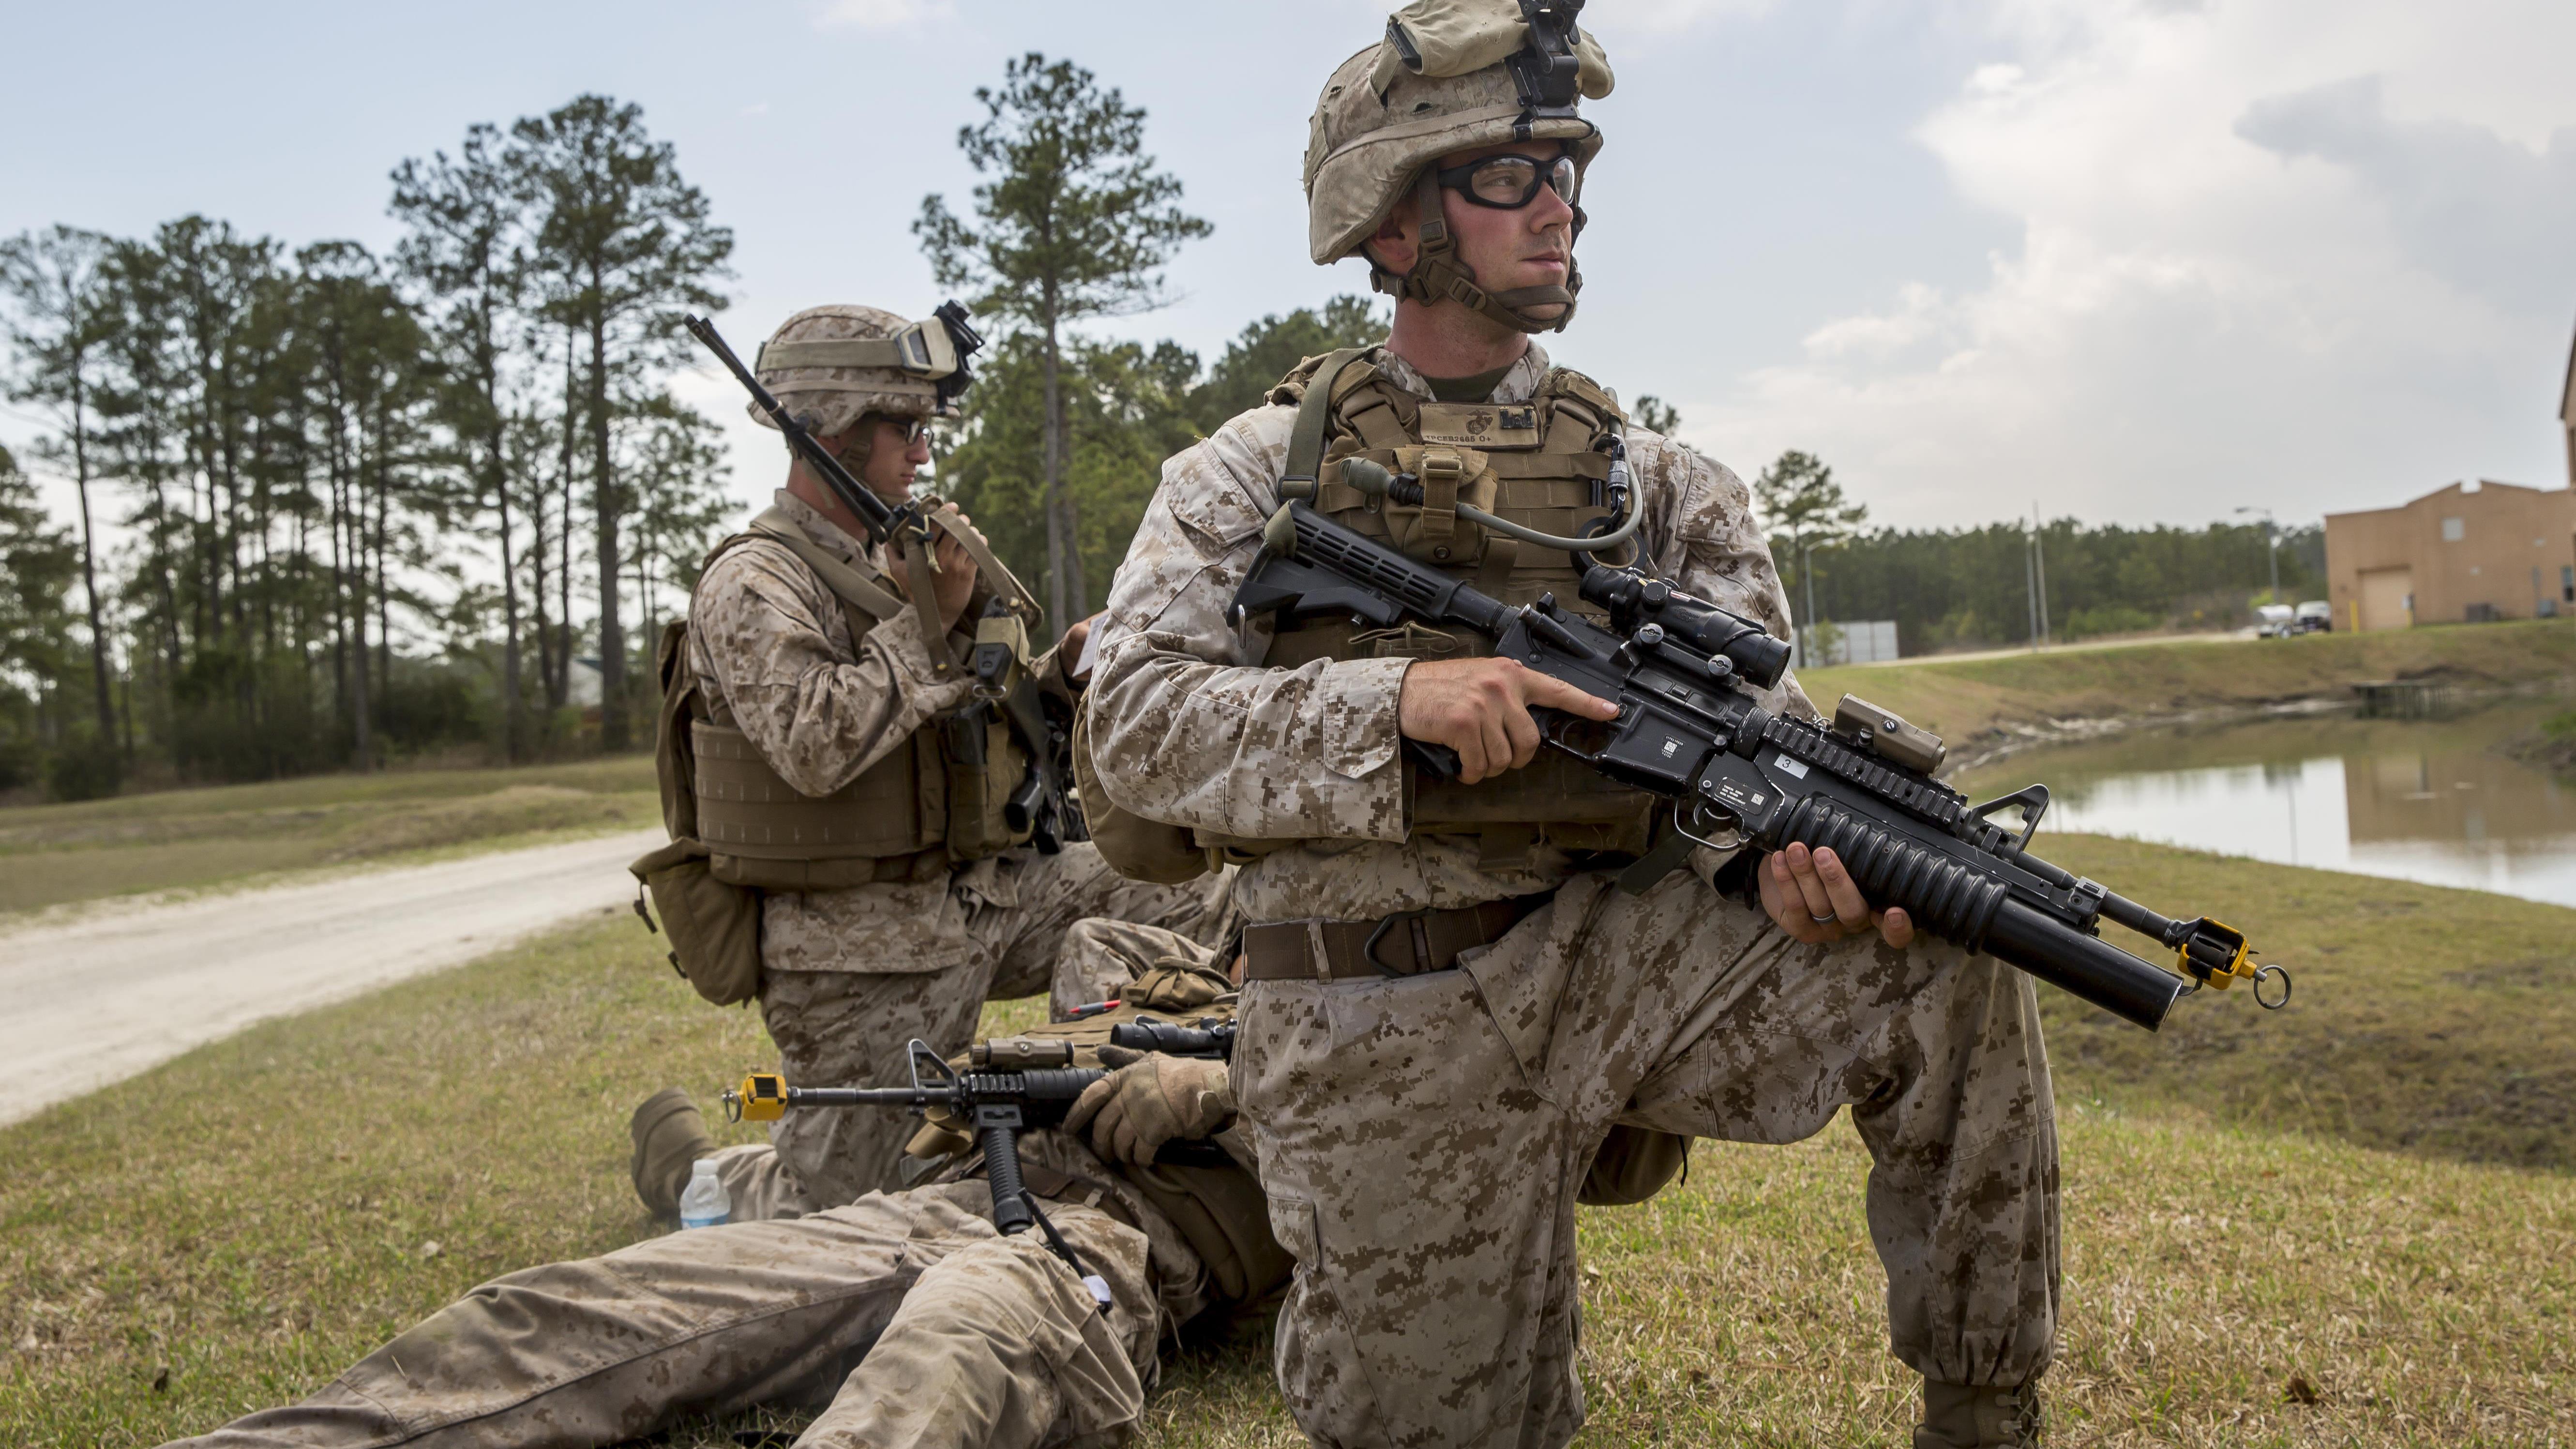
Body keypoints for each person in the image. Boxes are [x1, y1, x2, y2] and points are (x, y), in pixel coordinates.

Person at [1080, 7, 2056, 1447]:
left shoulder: (1665, 487)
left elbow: (1752, 745)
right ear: (1394, 216)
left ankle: (1984, 1411)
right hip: (1372, 1010)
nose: (1558, 206)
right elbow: (1132, 726)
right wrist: (1394, 705)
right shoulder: (1239, 479)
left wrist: (1774, 862)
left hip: (1617, 960)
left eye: (1569, 172)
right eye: (1508, 177)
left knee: (1954, 943)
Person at [160, 925, 1284, 1449]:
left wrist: (1233, 1078)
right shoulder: (1151, 956)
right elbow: (1095, 944)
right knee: (571, 1309)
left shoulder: (1391, 1037)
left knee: (950, 1350)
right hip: (937, 1200)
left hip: (1092, 1250)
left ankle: (695, 1169)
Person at [637, 302, 1227, 1214]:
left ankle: (1160, 1090)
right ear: (830, 431)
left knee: (1202, 892)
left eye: (925, 428)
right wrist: (929, 622)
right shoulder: (754, 582)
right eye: (903, 428)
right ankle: (698, 1177)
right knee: (850, 1213)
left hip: (983, 896)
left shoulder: (891, 559)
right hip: (858, 947)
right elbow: (813, 740)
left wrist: (1059, 678)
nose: (921, 452)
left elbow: (952, 725)